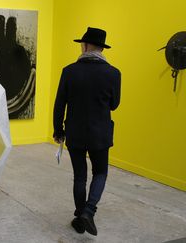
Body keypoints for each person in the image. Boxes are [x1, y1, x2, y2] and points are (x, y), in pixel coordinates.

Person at [53, 27, 121, 236]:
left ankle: (81, 215)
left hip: (75, 132)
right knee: (100, 172)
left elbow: (59, 104)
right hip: (100, 133)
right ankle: (88, 212)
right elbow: (114, 105)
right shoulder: (113, 73)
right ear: (101, 47)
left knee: (79, 176)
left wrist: (58, 130)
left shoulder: (69, 71)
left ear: (85, 45)